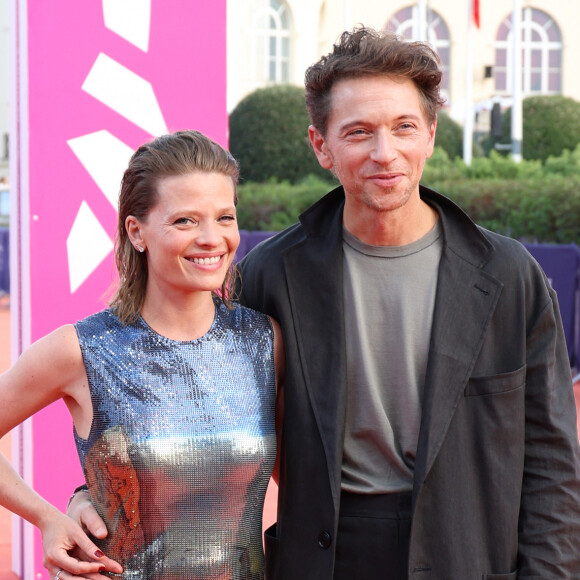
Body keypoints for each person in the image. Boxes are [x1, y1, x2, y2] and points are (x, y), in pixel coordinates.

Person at [69, 27, 580, 579]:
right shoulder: (271, 276)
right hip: (326, 555)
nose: (385, 153)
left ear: (430, 134)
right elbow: (186, 407)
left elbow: (552, 463)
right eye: (358, 132)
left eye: (404, 127)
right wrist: (88, 492)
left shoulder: (509, 276)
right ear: (321, 146)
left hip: (470, 551)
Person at [0, 130, 283, 579]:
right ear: (137, 232)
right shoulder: (82, 349)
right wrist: (47, 517)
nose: (212, 238)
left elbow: (305, 483)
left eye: (224, 217)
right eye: (185, 221)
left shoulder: (264, 342)